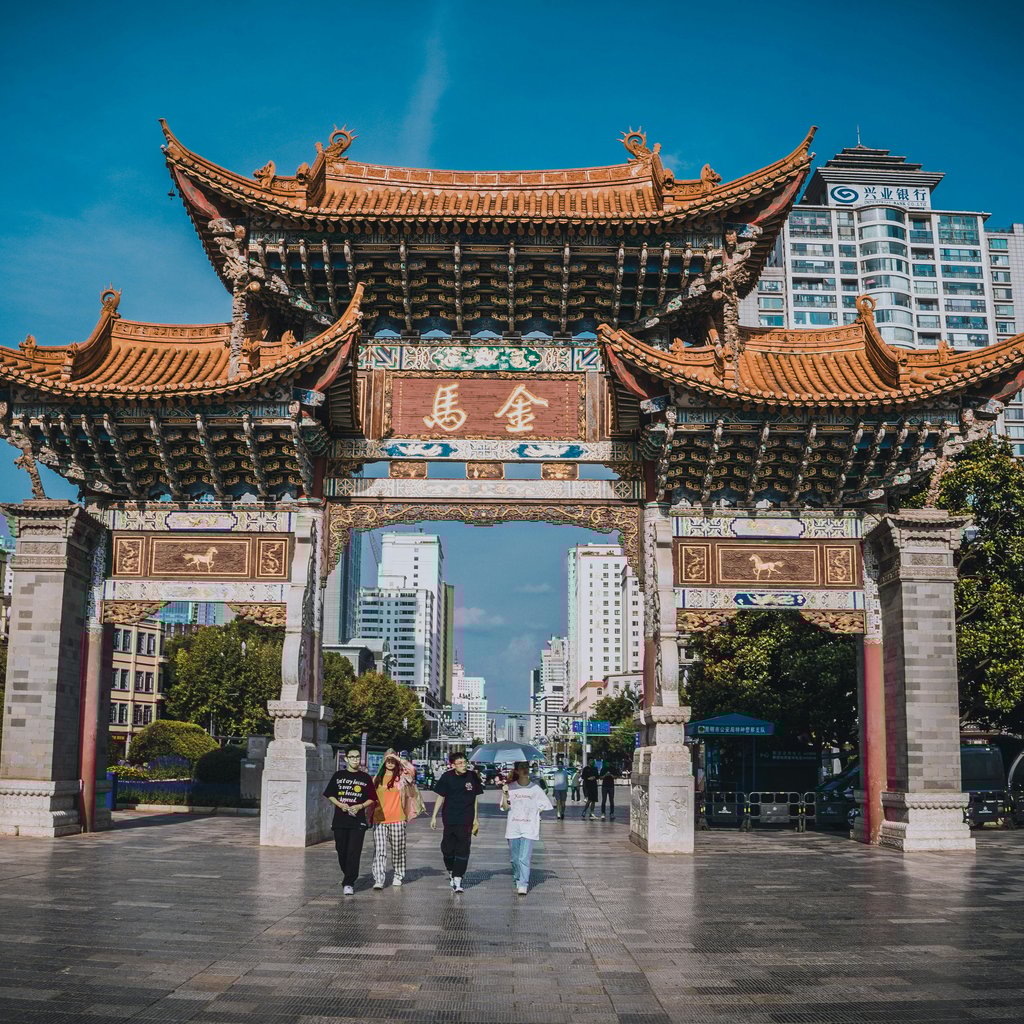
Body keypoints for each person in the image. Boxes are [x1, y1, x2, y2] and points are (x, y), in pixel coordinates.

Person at [323, 748, 378, 895]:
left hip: (357, 821)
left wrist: (360, 806)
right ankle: (347, 873)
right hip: (340, 820)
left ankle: (349, 882)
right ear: (346, 759)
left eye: (357, 757)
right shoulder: (338, 775)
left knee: (354, 851)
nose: (355, 759)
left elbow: (372, 797)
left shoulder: (365, 777)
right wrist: (340, 804)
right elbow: (329, 794)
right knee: (341, 850)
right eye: (352, 757)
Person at [430, 752, 483, 893]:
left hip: (466, 818)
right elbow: (440, 796)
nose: (463, 765)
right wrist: (434, 816)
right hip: (450, 817)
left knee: (463, 848)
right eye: (459, 763)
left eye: (464, 762)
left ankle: (458, 878)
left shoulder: (472, 776)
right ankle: (451, 870)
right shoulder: (447, 777)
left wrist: (476, 819)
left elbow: (475, 799)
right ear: (452, 765)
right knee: (447, 849)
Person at [500, 761, 553, 895]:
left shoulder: (535, 789)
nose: (525, 770)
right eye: (521, 768)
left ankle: (523, 883)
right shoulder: (510, 787)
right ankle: (518, 878)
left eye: (526, 767)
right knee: (514, 858)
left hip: (529, 827)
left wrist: (535, 812)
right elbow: (505, 808)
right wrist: (505, 795)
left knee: (524, 858)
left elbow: (545, 805)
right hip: (513, 827)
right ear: (516, 771)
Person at [371, 749, 420, 889]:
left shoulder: (402, 777)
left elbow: (411, 770)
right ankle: (379, 879)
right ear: (384, 762)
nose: (390, 763)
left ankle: (398, 875)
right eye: (388, 760)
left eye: (393, 761)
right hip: (379, 819)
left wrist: (398, 759)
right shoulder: (377, 778)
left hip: (398, 819)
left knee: (398, 849)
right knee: (379, 850)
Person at [550, 755, 570, 820]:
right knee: (558, 801)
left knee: (563, 803)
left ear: (562, 765)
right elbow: (555, 782)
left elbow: (567, 781)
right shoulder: (555, 773)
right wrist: (553, 790)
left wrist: (567, 788)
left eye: (560, 764)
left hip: (563, 789)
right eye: (558, 764)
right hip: (557, 789)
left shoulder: (565, 772)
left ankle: (562, 812)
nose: (559, 765)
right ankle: (558, 813)